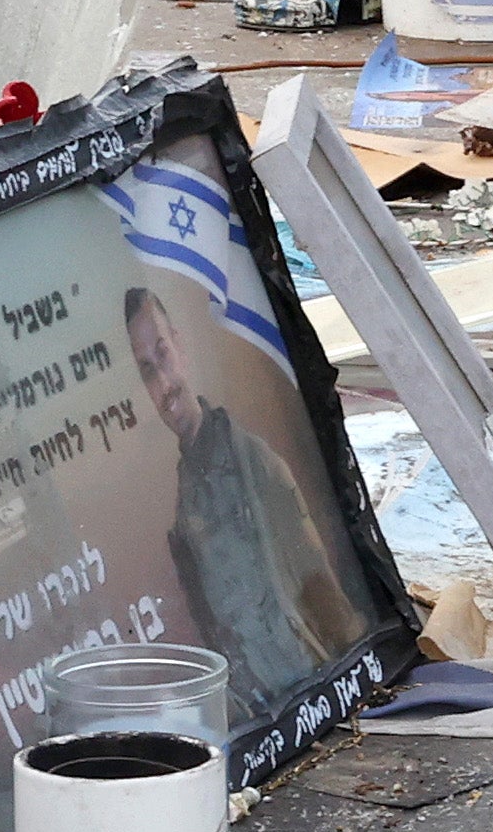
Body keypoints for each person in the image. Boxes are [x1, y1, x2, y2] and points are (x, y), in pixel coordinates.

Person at [125, 282, 359, 708]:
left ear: (181, 347)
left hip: (312, 688)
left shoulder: (252, 462)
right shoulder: (186, 503)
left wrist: (356, 688)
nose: (163, 382)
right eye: (146, 370)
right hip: (264, 708)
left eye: (163, 354)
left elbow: (321, 587)